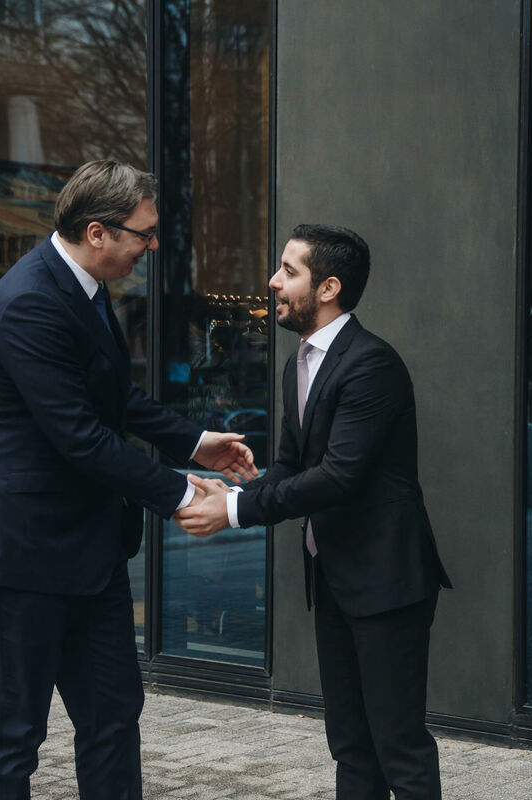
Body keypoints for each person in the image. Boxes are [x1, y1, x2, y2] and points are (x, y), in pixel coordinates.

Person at [0, 160, 256, 800]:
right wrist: (179, 494)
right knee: (14, 736)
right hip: (22, 554)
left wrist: (198, 444)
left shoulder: (83, 286)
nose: (153, 245)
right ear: (97, 233)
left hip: (90, 552)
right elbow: (79, 436)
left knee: (113, 717)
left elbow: (114, 399)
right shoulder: (31, 301)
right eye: (145, 233)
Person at [175, 224, 451, 800]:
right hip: (333, 579)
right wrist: (240, 489)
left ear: (328, 288)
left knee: (398, 747)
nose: (273, 281)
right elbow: (293, 466)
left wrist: (235, 509)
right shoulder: (299, 362)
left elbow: (338, 477)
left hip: (387, 582)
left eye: (288, 270)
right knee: (349, 746)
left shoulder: (371, 364)